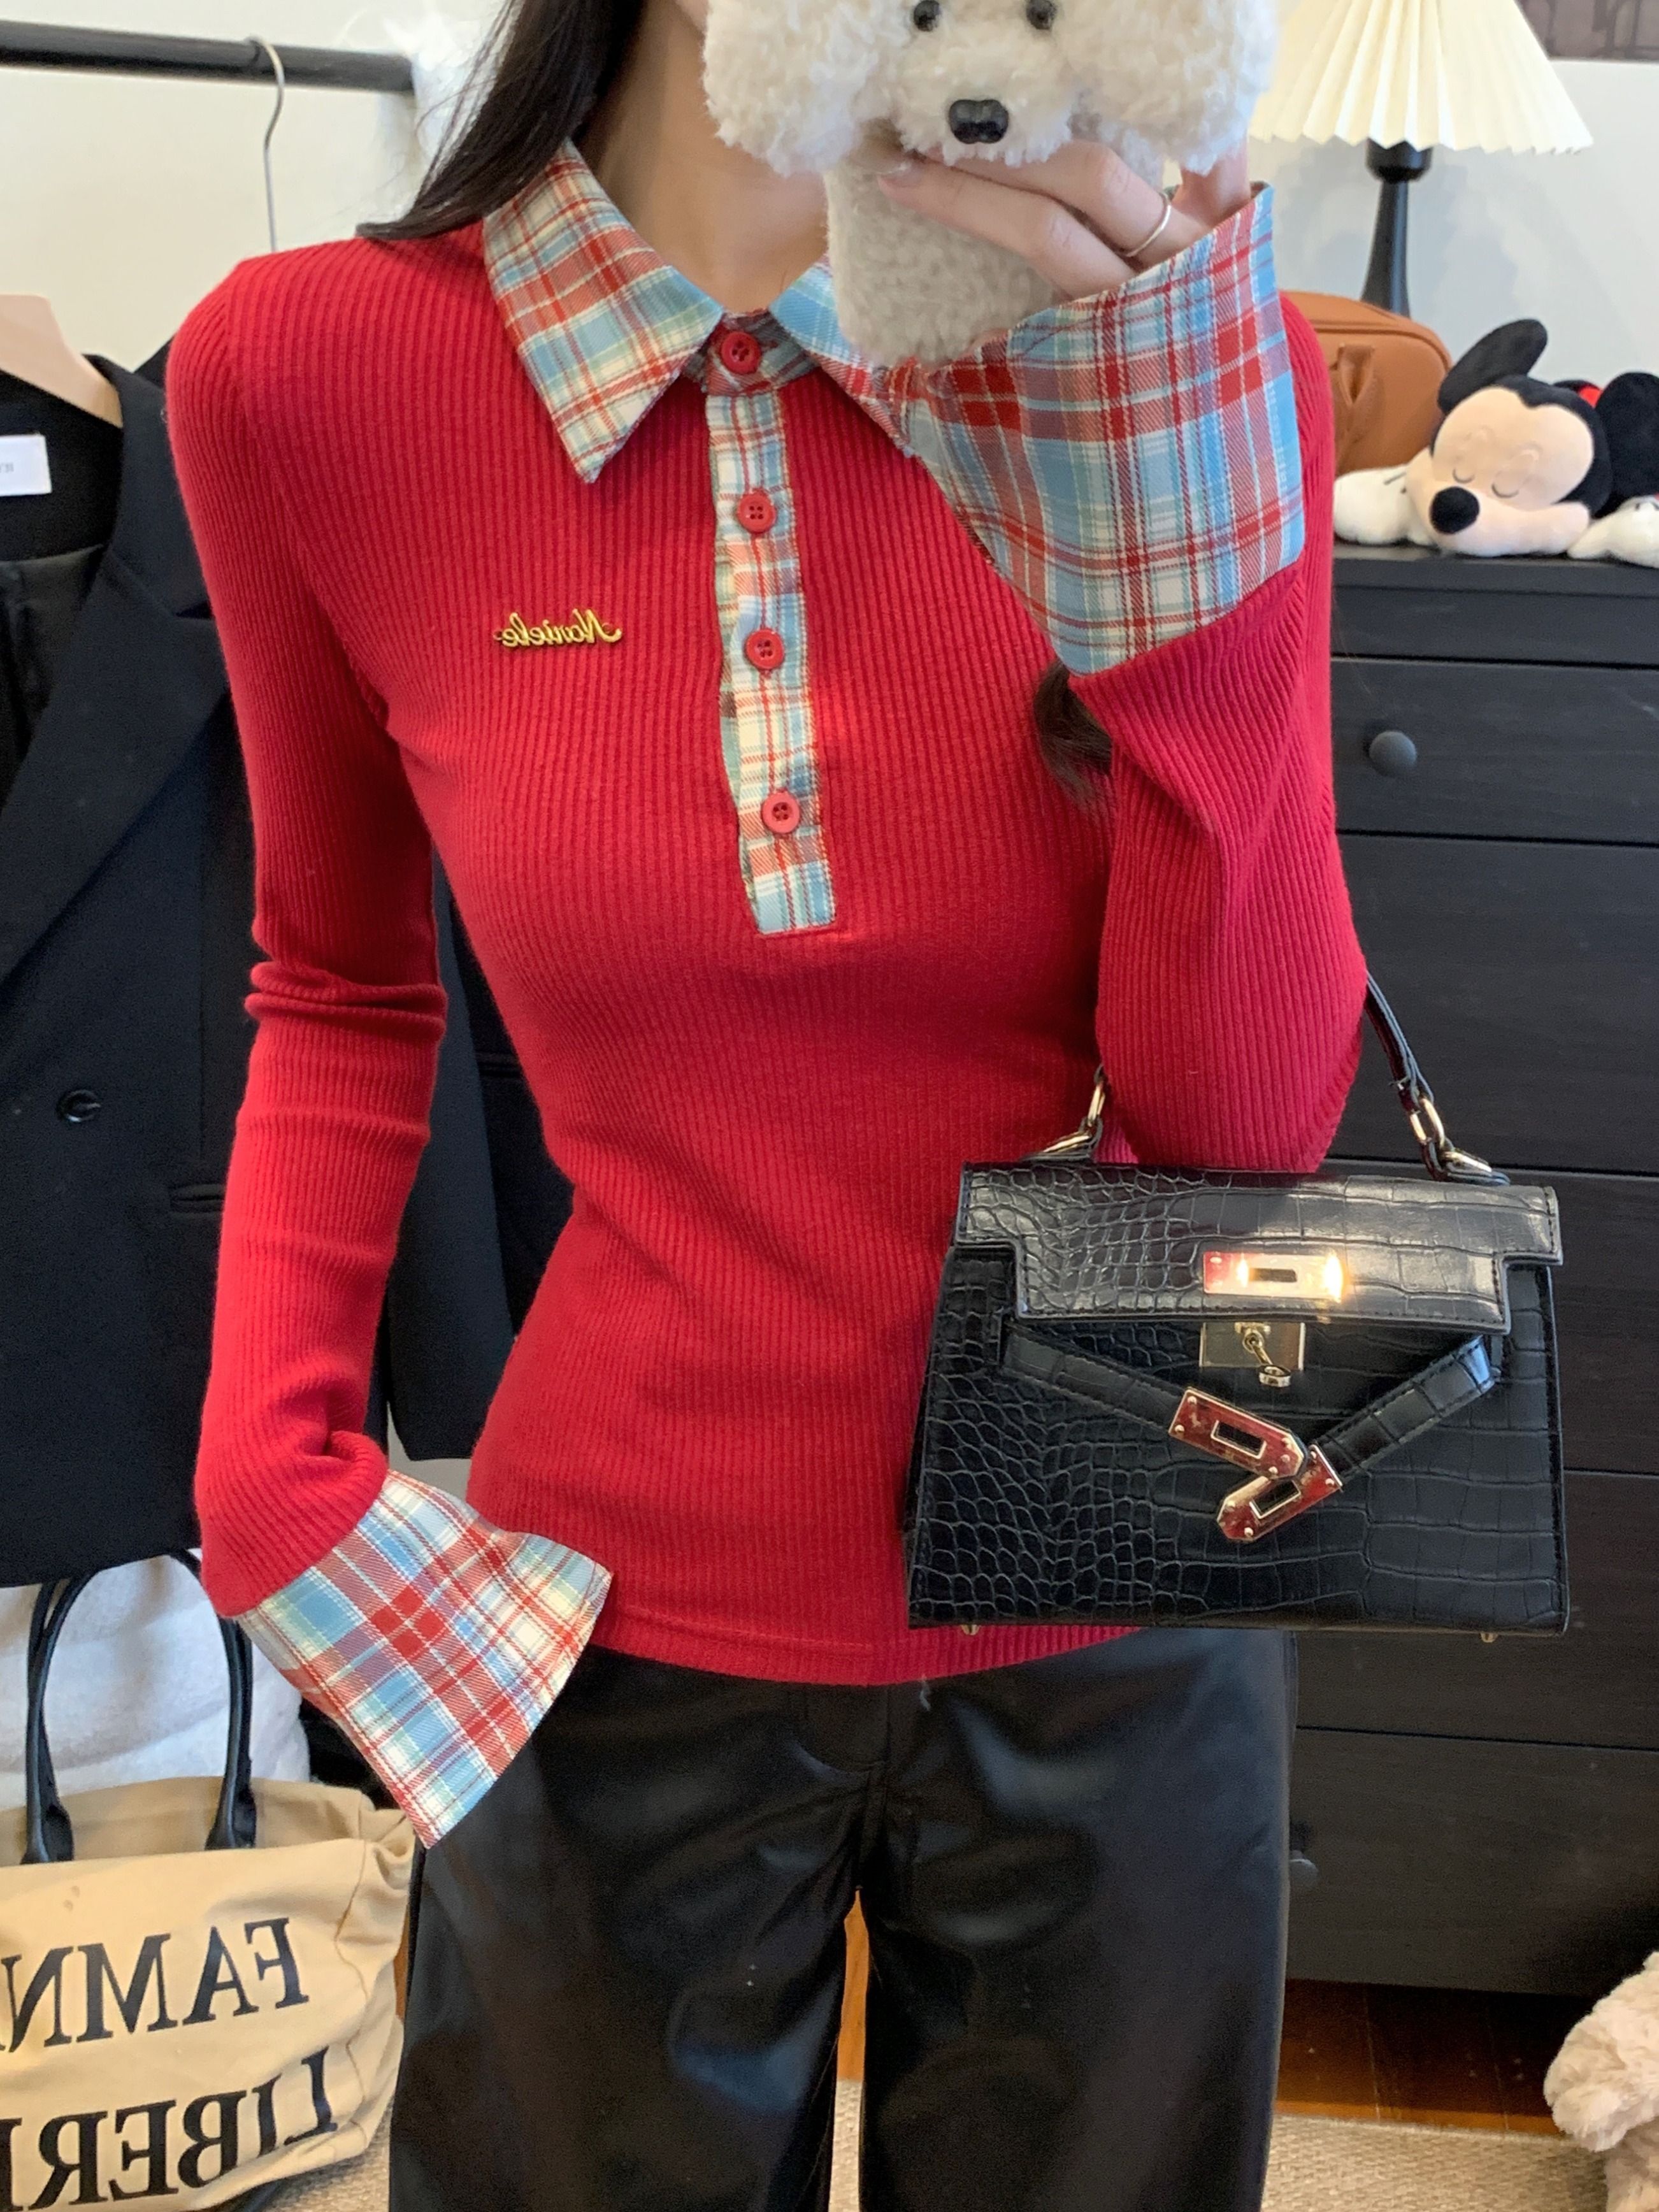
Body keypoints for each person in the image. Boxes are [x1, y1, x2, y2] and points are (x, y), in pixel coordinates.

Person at [166, 0, 1368, 2204]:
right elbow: (336, 979)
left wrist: (1175, 554)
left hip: (1128, 1565)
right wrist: (267, 1451)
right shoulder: (305, 370)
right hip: (601, 1605)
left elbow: (1237, 1137)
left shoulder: (1206, 362)